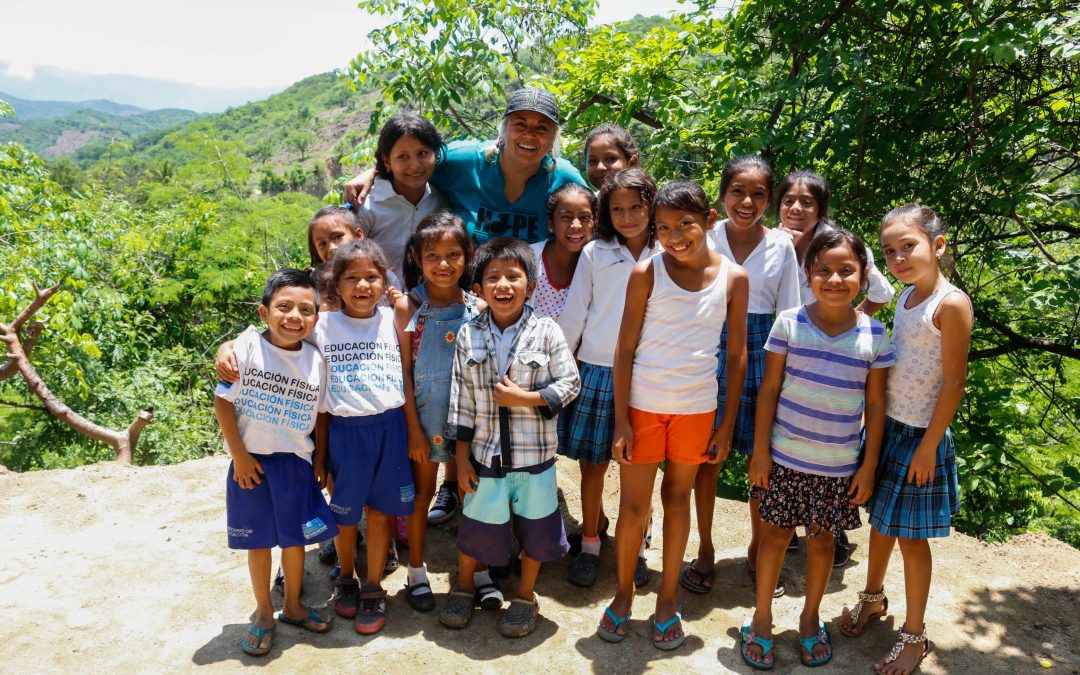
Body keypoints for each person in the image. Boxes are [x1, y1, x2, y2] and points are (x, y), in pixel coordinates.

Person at [598, 180, 749, 650]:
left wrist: (726, 425)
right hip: (643, 406)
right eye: (663, 228)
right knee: (633, 507)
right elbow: (624, 348)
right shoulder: (647, 271)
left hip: (697, 409)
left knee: (678, 499)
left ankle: (667, 599)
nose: (674, 236)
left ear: (709, 220)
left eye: (685, 224)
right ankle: (623, 593)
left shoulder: (734, 278)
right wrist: (621, 420)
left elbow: (737, 356)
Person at [740, 228, 894, 670]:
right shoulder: (789, 322)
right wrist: (760, 452)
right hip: (784, 459)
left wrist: (868, 465)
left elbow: (876, 404)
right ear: (808, 274)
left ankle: (810, 619)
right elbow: (770, 389)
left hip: (839, 465)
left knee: (823, 541)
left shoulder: (875, 334)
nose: (834, 279)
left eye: (847, 270)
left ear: (864, 277)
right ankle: (762, 617)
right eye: (823, 270)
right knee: (774, 536)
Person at [840, 205, 972, 675]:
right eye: (889, 251)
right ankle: (873, 597)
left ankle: (915, 635)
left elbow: (954, 381)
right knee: (881, 522)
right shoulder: (907, 297)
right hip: (890, 428)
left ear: (938, 245)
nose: (898, 258)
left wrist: (928, 446)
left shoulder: (950, 304)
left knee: (912, 540)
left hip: (921, 437)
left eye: (908, 247)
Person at [437, 237, 580, 638]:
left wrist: (526, 398)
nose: (503, 285)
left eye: (513, 277)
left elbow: (570, 383)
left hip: (535, 459)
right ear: (478, 288)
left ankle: (525, 596)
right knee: (477, 525)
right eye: (492, 277)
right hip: (485, 456)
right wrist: (461, 458)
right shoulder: (469, 335)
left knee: (535, 529)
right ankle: (465, 587)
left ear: (530, 286)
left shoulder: (547, 332)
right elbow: (461, 401)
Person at [682, 155, 800, 598]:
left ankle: (757, 550)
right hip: (707, 347)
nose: (746, 202)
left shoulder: (782, 246)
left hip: (763, 352)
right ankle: (705, 548)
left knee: (760, 458)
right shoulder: (706, 235)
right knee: (706, 458)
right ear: (722, 194)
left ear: (769, 201)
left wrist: (786, 372)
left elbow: (789, 314)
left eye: (758, 194)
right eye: (737, 191)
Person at [214, 269, 337, 656]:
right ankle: (265, 612)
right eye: (284, 307)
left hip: (296, 463)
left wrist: (318, 457)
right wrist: (239, 456)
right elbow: (222, 403)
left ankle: (294, 606)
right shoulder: (246, 348)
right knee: (259, 542)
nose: (294, 316)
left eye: (306, 309)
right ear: (264, 312)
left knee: (295, 540)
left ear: (316, 316)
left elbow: (321, 414)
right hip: (251, 464)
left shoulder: (315, 360)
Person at [312, 239, 424, 635]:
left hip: (390, 429)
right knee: (345, 515)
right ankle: (347, 577)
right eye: (352, 278)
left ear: (384, 280)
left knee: (380, 515)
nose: (362, 285)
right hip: (345, 433)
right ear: (335, 285)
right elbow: (319, 401)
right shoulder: (322, 326)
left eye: (371, 277)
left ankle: (374, 586)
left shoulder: (394, 318)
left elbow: (406, 374)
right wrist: (320, 456)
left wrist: (413, 430)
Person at [558, 168, 659, 588]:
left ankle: (636, 546)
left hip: (650, 373)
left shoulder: (667, 251)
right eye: (618, 209)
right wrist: (559, 366)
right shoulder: (595, 253)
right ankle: (591, 542)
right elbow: (575, 313)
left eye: (637, 207)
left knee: (641, 468)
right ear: (606, 213)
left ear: (652, 206)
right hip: (597, 369)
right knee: (593, 465)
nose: (628, 217)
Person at [344, 88, 588, 244]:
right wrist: (375, 172)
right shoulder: (464, 161)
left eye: (542, 128)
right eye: (520, 124)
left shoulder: (564, 179)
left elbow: (597, 223)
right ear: (504, 129)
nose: (529, 135)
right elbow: (416, 164)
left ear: (553, 137)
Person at [395, 211, 482, 612]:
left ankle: (476, 569)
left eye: (453, 254)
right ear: (417, 257)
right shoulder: (408, 306)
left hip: (470, 417)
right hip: (424, 416)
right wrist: (413, 429)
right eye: (432, 255)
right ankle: (416, 569)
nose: (443, 264)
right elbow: (404, 372)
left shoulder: (478, 307)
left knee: (471, 493)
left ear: (467, 256)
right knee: (422, 494)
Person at [776, 169, 894, 314]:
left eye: (807, 203)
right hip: (784, 328)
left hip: (828, 329)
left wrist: (851, 321)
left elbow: (882, 293)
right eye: (788, 201)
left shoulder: (843, 247)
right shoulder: (771, 242)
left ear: (821, 211)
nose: (795, 208)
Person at [354, 113, 448, 280]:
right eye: (403, 157)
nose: (415, 165)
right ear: (387, 161)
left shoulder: (441, 200)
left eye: (423, 153)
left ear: (435, 154)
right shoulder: (367, 205)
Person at [529, 183, 596, 319]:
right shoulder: (528, 258)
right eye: (566, 217)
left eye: (584, 217)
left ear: (595, 223)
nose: (576, 226)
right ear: (551, 224)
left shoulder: (599, 265)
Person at [582, 122, 640, 190]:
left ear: (633, 163)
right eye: (593, 161)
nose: (600, 167)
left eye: (610, 159)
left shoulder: (646, 196)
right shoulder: (584, 196)